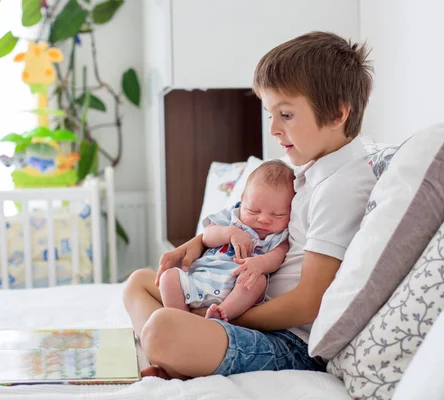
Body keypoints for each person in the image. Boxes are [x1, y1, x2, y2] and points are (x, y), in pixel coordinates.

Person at [123, 31, 377, 380]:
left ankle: (175, 351)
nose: (273, 129)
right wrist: (197, 243)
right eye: (270, 114)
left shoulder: (342, 187)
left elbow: (309, 302)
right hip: (241, 303)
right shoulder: (312, 171)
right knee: (138, 282)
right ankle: (176, 357)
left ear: (336, 114)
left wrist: (225, 316)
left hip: (285, 339)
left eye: (285, 114)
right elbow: (244, 221)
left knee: (163, 328)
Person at [158, 160, 294, 322]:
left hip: (236, 289)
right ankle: (180, 319)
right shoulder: (231, 217)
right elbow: (207, 236)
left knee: (258, 281)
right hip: (198, 280)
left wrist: (260, 264)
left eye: (278, 215)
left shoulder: (278, 236)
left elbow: (279, 255)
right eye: (253, 210)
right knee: (168, 277)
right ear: (242, 199)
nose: (263, 219)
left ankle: (223, 313)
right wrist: (229, 232)